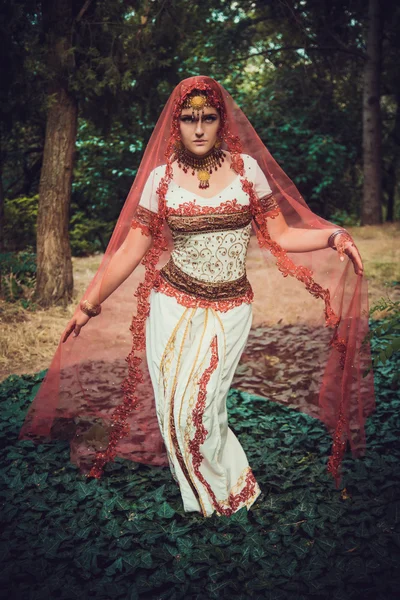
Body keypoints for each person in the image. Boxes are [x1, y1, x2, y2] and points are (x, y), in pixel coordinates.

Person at [19, 76, 375, 518]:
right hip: (172, 306)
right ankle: (212, 501)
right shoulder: (160, 179)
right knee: (175, 409)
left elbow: (281, 235)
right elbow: (132, 248)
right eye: (189, 119)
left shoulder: (247, 170)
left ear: (221, 120)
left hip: (231, 311)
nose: (199, 127)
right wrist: (87, 305)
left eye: (208, 117)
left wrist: (335, 236)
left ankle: (232, 489)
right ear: (177, 124)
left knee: (202, 407)